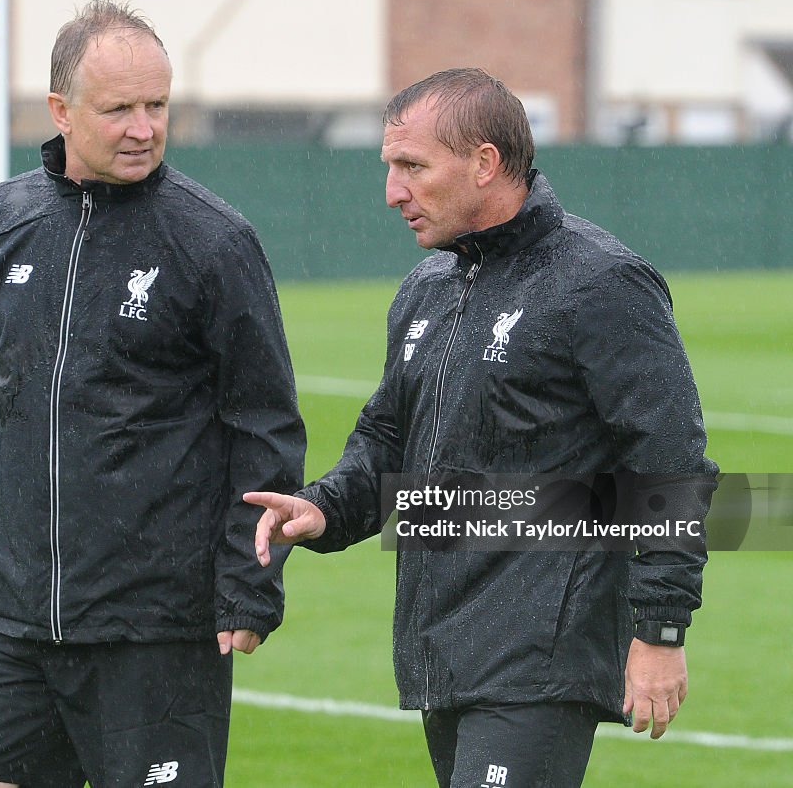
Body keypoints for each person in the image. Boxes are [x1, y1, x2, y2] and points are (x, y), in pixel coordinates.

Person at [0, 0, 305, 788]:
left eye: (157, 105)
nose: (144, 127)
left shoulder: (214, 241)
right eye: (119, 108)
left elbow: (264, 426)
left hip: (154, 630)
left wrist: (249, 585)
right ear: (60, 110)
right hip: (12, 622)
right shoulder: (6, 218)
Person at [246, 68, 716, 788]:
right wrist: (324, 505)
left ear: (485, 163)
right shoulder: (426, 289)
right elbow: (385, 443)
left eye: (412, 167)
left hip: (541, 654)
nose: (392, 191)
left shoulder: (600, 282)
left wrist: (660, 628)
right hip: (444, 646)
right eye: (389, 167)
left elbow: (668, 457)